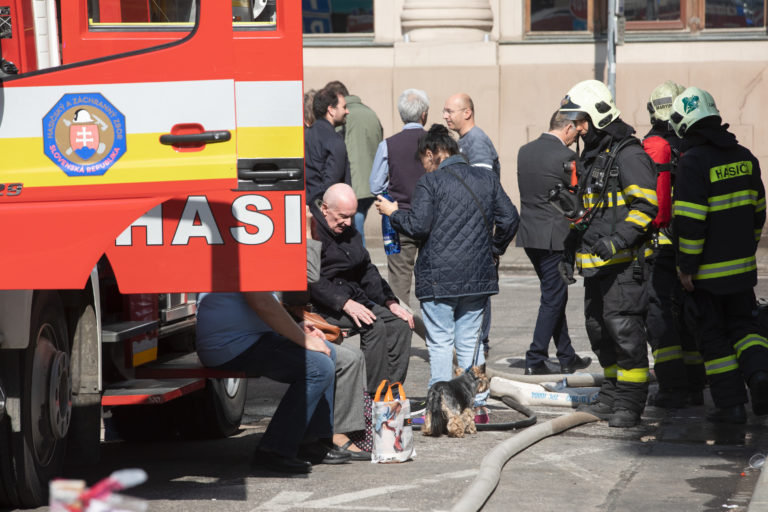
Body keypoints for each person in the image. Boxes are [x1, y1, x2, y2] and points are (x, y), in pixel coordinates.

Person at [375, 124, 518, 419]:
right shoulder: (487, 179)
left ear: (432, 153)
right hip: (477, 277)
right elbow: (510, 219)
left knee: (440, 342)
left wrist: (393, 213)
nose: (424, 167)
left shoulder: (430, 183)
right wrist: (494, 249)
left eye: (424, 161)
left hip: (438, 277)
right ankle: (477, 406)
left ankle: (439, 407)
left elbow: (419, 226)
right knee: (470, 341)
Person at [558, 79, 658, 428]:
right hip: (598, 269)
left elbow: (646, 207)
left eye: (580, 119)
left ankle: (630, 402)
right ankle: (612, 394)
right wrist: (568, 252)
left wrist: (617, 241)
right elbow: (589, 214)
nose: (577, 126)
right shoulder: (593, 157)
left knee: (625, 335)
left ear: (597, 116)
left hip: (625, 268)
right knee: (600, 333)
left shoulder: (629, 155)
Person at [670, 86, 768, 424]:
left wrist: (687, 268)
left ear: (684, 124)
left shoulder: (693, 162)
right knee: (746, 328)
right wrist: (745, 249)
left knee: (713, 337)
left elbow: (690, 223)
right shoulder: (745, 157)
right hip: (741, 271)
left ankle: (731, 406)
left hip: (707, 275)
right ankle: (760, 376)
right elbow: (759, 213)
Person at [195, 291, 349, 473]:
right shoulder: (245, 270)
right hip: (229, 345)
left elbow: (265, 307)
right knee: (318, 368)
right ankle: (274, 450)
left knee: (326, 351)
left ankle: (310, 443)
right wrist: (302, 338)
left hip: (251, 338)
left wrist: (295, 327)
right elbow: (263, 304)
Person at [309, 183, 414, 392]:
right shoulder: (311, 230)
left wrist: (389, 301)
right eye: (342, 216)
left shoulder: (349, 231)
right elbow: (310, 279)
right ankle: (372, 395)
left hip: (353, 298)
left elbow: (366, 270)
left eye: (351, 216)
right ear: (325, 209)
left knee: (400, 324)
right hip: (322, 303)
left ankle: (391, 393)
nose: (348, 223)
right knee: (373, 326)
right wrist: (345, 303)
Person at [641, 80, 706, 408]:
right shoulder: (695, 145)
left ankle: (671, 386)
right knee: (689, 312)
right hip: (694, 244)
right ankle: (695, 382)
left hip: (659, 244)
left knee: (659, 313)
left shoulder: (651, 146)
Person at [516, 111, 592, 376]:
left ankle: (566, 356)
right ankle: (535, 357)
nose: (575, 138)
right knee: (553, 297)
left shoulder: (524, 151)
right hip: (555, 238)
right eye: (575, 132)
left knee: (554, 294)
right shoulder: (566, 157)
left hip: (530, 235)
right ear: (568, 128)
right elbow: (578, 194)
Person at [442, 92, 501, 358]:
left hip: (479, 229)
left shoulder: (476, 142)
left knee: (478, 286)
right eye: (444, 111)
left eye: (450, 111)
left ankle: (480, 343)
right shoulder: (465, 141)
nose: (445, 116)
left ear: (467, 113)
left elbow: (483, 186)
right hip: (471, 228)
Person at [370, 88, 429, 305]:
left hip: (399, 217)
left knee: (399, 283)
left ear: (401, 114)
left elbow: (375, 185)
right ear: (424, 114)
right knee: (433, 280)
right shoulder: (436, 143)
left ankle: (402, 324)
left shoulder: (388, 144)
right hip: (431, 219)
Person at [325, 81, 383, 245]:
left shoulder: (343, 116)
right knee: (357, 224)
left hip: (352, 183)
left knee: (354, 232)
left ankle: (359, 259)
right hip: (370, 182)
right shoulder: (371, 113)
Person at [305, 86, 351, 205]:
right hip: (326, 208)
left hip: (306, 204)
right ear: (331, 110)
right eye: (344, 107)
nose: (347, 111)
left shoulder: (305, 135)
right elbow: (332, 184)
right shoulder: (334, 140)